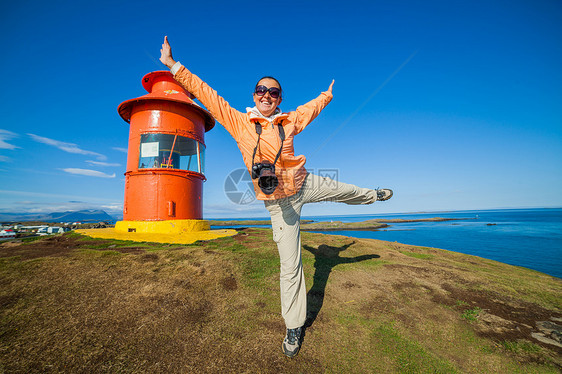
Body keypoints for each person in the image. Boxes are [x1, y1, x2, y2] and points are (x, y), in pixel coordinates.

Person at [159, 36, 393, 358]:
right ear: (254, 96)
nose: (267, 95)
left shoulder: (289, 120)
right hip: (278, 203)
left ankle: (374, 196)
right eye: (261, 90)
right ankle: (294, 326)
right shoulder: (239, 122)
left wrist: (327, 94)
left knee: (344, 190)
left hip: (304, 183)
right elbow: (207, 94)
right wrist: (174, 66)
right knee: (290, 266)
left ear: (279, 98)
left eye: (274, 92)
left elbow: (310, 110)